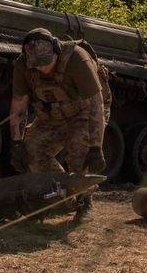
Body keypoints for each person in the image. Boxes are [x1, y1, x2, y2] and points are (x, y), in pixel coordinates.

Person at [8, 28, 110, 217]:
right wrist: (16, 143)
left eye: (46, 62)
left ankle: (85, 201)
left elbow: (96, 105)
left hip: (84, 112)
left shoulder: (77, 59)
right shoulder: (23, 66)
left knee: (79, 149)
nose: (42, 68)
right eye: (36, 64)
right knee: (31, 152)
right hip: (52, 115)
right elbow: (19, 107)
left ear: (56, 49)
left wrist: (96, 147)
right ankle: (64, 200)